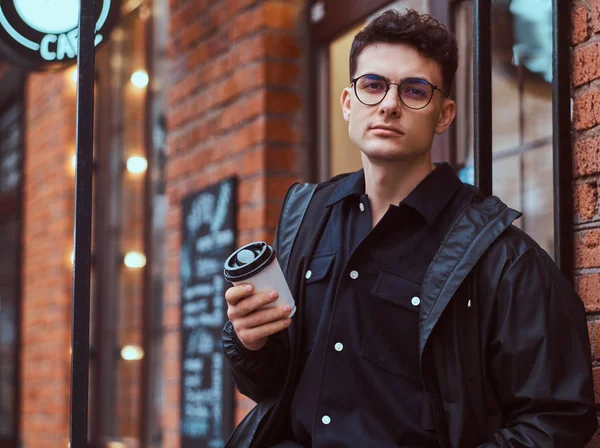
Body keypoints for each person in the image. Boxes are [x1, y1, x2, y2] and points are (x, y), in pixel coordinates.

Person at [221, 9, 597, 448]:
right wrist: (249, 342)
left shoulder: (502, 257)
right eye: (373, 85)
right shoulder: (308, 219)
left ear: (444, 114)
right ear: (348, 103)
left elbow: (558, 418)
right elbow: (271, 386)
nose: (389, 104)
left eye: (415, 90)